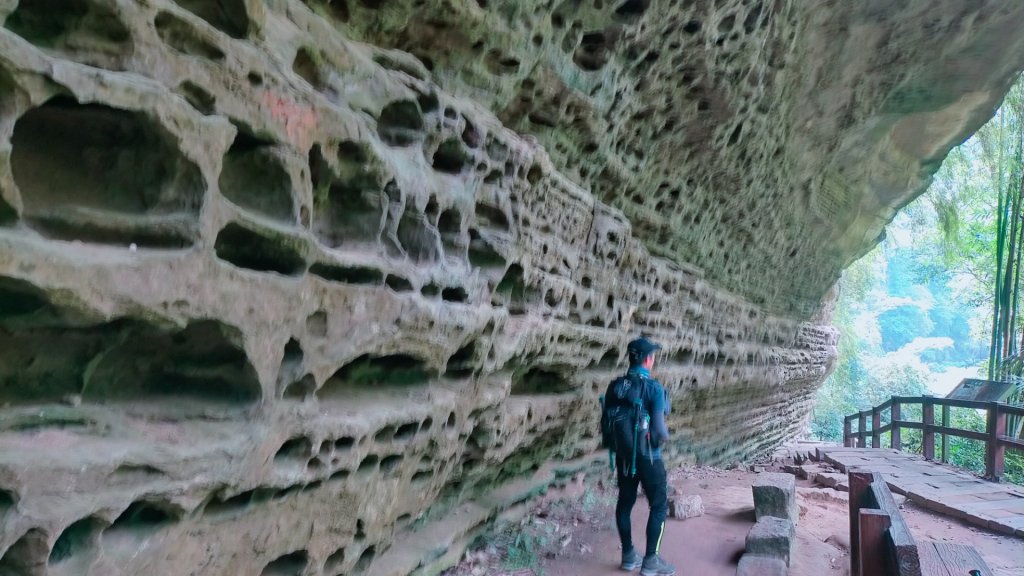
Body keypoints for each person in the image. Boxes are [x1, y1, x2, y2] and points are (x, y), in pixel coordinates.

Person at [604, 336, 675, 576]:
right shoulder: (654, 389)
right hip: (649, 458)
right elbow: (660, 430)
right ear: (647, 359)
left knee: (625, 503)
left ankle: (628, 556)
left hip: (624, 457)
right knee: (658, 505)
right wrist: (665, 436)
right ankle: (651, 561)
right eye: (652, 356)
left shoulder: (615, 387)